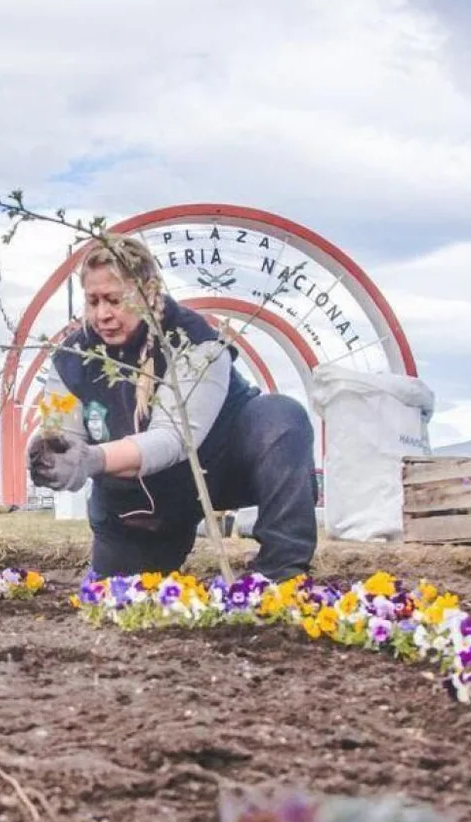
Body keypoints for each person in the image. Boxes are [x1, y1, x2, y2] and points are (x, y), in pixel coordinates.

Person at [28, 234, 318, 581]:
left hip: (222, 466)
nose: (102, 314)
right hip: (144, 502)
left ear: (148, 293)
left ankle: (280, 574)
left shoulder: (197, 342)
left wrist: (93, 458)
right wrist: (53, 458)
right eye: (93, 302)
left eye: (114, 300)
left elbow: (173, 439)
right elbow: (64, 439)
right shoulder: (73, 359)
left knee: (280, 417)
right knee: (121, 593)